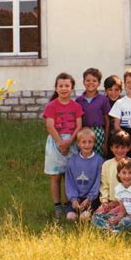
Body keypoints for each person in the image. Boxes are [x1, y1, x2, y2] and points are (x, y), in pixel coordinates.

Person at [43, 72, 83, 218]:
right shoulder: (51, 106)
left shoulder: (76, 106)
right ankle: (57, 205)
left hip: (71, 143)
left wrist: (70, 142)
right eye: (61, 86)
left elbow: (79, 125)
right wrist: (61, 143)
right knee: (56, 176)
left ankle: (69, 204)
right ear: (56, 88)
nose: (64, 88)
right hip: (56, 143)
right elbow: (50, 126)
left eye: (67, 86)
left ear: (72, 88)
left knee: (70, 176)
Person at [92, 158, 131, 232]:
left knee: (125, 222)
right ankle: (110, 228)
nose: (127, 176)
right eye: (124, 173)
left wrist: (121, 219)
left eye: (130, 173)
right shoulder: (118, 189)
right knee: (96, 216)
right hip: (127, 214)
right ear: (119, 174)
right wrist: (117, 218)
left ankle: (112, 229)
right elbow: (123, 211)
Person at [96, 131, 131, 214]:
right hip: (110, 202)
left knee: (115, 216)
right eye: (116, 147)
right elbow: (104, 185)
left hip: (128, 203)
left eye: (123, 147)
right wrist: (104, 201)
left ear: (128, 148)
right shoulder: (106, 164)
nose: (120, 150)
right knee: (97, 215)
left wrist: (119, 202)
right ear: (111, 148)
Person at [65, 128, 104, 221]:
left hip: (92, 199)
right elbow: (69, 182)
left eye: (90, 142)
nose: (87, 145)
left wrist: (89, 199)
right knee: (70, 217)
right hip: (77, 198)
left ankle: (87, 211)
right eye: (84, 142)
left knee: (84, 217)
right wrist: (73, 199)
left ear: (94, 143)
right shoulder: (72, 161)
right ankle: (75, 209)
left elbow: (98, 182)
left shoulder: (99, 161)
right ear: (78, 144)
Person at [76, 68, 111, 156]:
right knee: (85, 155)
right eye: (88, 80)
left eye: (94, 80)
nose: (91, 83)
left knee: (98, 156)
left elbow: (107, 121)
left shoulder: (103, 99)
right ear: (83, 82)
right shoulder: (79, 100)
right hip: (84, 131)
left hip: (99, 133)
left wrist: (105, 142)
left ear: (99, 83)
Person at [103, 74, 122, 155]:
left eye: (116, 90)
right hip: (106, 138)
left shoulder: (123, 103)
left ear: (121, 90)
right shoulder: (103, 103)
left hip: (121, 138)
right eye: (110, 90)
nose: (113, 93)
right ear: (106, 91)